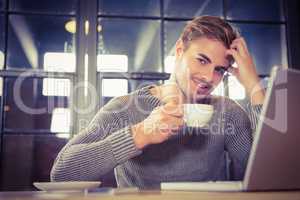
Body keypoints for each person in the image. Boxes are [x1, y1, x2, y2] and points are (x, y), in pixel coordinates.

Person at [50, 16, 265, 189]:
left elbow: (270, 172)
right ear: (180, 50)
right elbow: (62, 173)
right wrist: (141, 134)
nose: (209, 77)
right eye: (202, 60)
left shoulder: (227, 112)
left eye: (220, 70)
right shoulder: (124, 108)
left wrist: (254, 86)